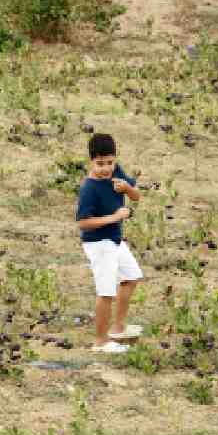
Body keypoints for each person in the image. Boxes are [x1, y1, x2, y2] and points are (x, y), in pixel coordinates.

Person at [76, 133, 143, 354]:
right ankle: (100, 341)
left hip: (114, 240)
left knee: (131, 276)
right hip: (99, 243)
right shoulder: (89, 188)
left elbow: (136, 197)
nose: (106, 168)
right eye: (100, 164)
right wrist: (114, 217)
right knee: (106, 292)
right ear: (90, 162)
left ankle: (118, 328)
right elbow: (83, 223)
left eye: (110, 162)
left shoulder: (116, 172)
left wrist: (127, 189)